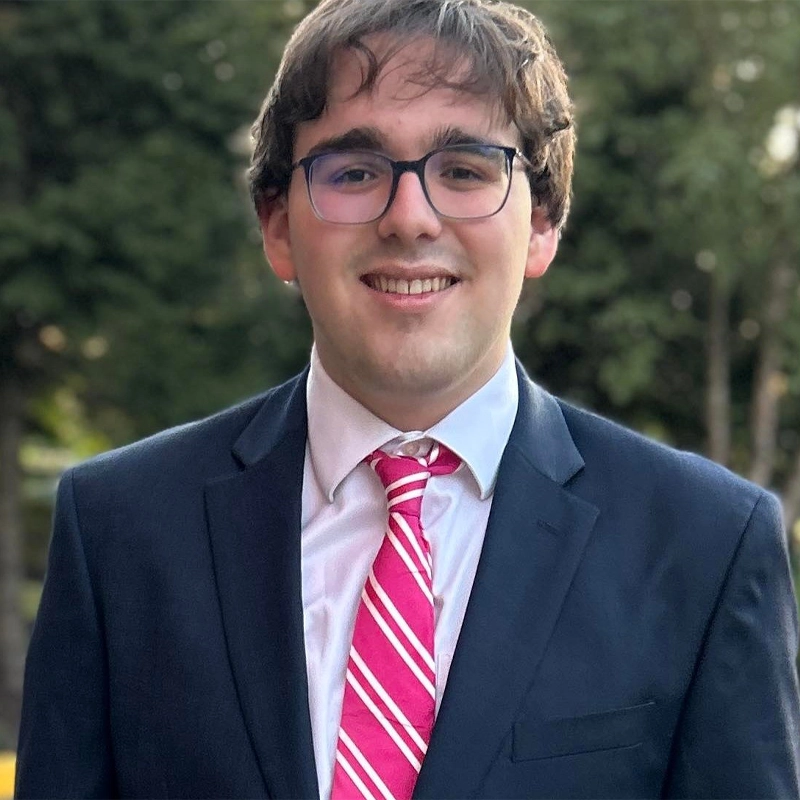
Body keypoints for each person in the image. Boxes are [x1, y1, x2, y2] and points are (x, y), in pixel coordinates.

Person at [16, 0, 800, 797]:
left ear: (543, 225)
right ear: (278, 224)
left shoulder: (707, 547)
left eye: (464, 170)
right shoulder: (119, 530)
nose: (410, 218)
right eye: (355, 172)